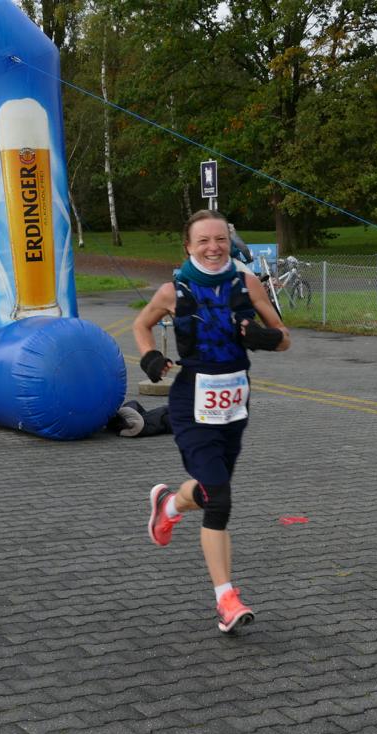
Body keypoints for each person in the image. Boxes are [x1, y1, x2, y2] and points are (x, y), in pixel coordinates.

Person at [132, 209, 290, 634]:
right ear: (188, 246)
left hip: (235, 401)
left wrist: (266, 338)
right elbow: (141, 325)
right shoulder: (173, 291)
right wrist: (150, 356)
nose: (213, 247)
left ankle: (169, 504)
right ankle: (226, 599)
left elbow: (284, 338)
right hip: (192, 401)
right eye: (203, 240)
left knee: (208, 490)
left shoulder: (247, 284)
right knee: (219, 499)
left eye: (220, 239)